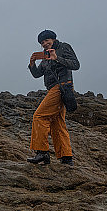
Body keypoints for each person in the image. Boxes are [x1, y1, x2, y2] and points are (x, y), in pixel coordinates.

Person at [27, 29, 80, 165]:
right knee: (57, 122)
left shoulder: (63, 47)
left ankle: (42, 152)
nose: (44, 43)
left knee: (39, 116)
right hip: (54, 88)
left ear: (53, 39)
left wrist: (57, 58)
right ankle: (66, 157)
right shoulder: (45, 56)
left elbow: (75, 65)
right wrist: (32, 64)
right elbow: (38, 74)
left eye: (46, 40)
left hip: (62, 86)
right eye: (42, 42)